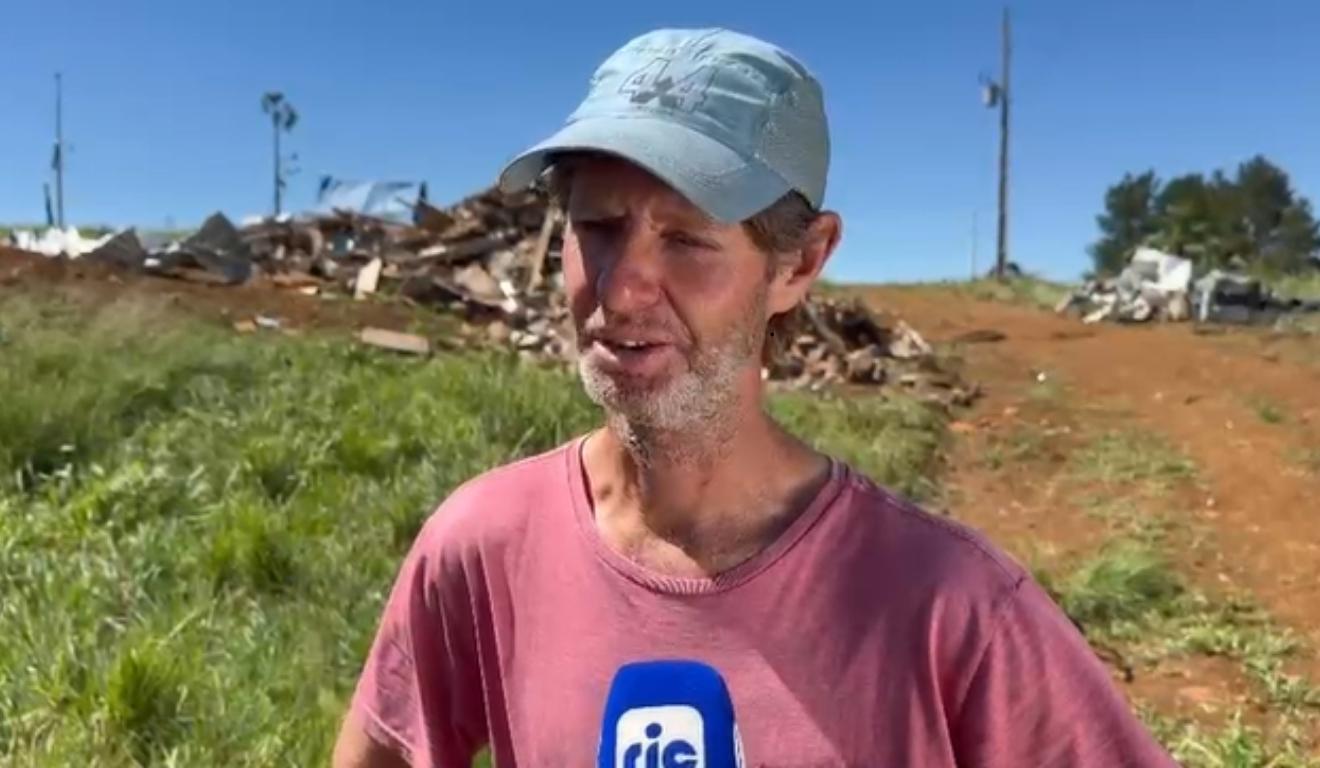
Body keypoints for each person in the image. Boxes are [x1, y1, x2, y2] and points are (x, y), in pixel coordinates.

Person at [333, 27, 1177, 767]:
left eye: (687, 240)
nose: (622, 289)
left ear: (799, 264)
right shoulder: (482, 549)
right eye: (596, 228)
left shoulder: (952, 609)